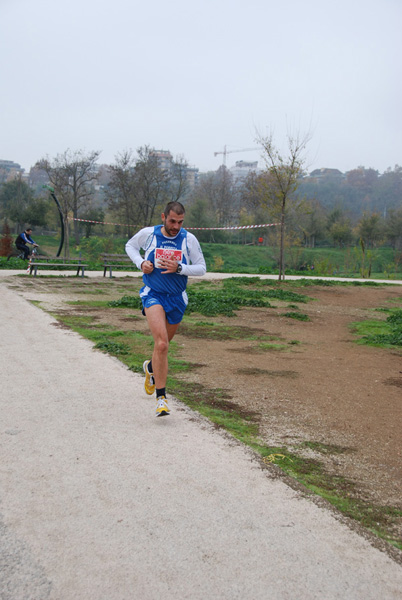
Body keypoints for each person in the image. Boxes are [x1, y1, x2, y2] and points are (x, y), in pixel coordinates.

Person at [125, 201, 207, 417]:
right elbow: (130, 246)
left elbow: (201, 268)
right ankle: (161, 398)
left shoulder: (188, 239)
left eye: (180, 222)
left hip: (177, 299)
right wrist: (141, 262)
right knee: (161, 344)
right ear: (163, 217)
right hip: (153, 294)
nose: (176, 226)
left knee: (164, 346)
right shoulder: (149, 235)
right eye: (172, 221)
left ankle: (151, 368)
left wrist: (179, 268)